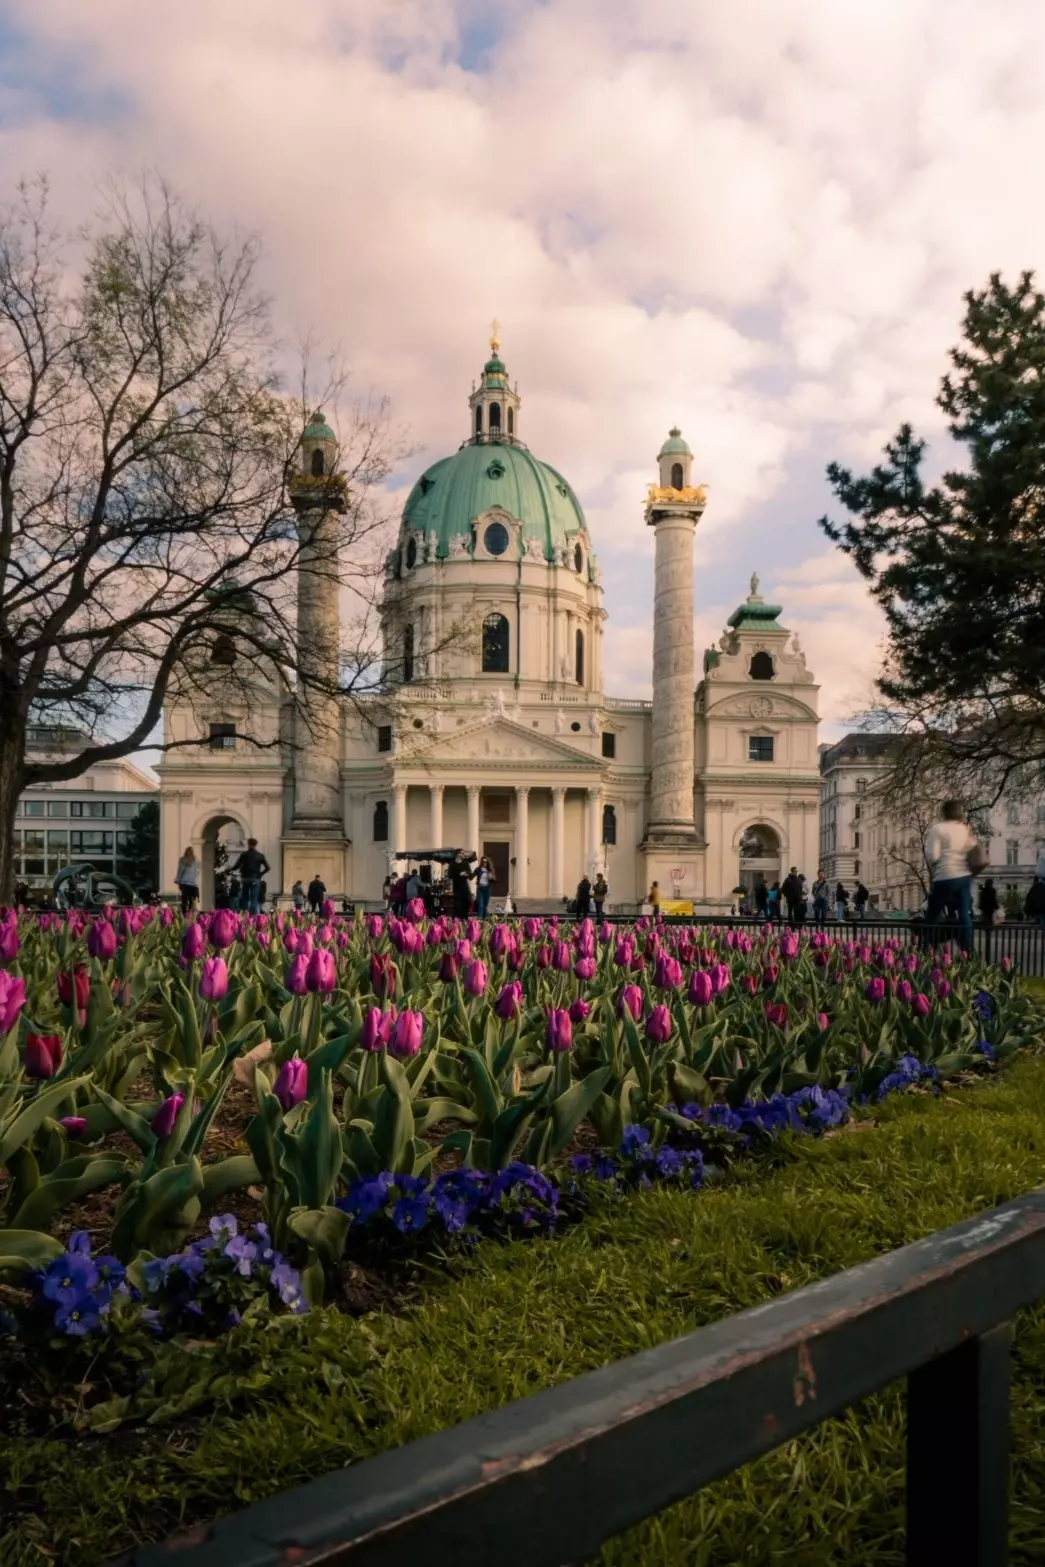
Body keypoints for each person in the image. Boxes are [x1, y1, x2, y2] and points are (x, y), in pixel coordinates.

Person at [924, 799, 976, 954]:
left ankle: (927, 947)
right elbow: (971, 848)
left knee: (933, 914)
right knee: (964, 913)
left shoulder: (938, 829)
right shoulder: (964, 828)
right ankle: (968, 950)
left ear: (944, 812)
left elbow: (933, 855)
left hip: (945, 875)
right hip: (963, 876)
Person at [232, 839, 269, 916]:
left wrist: (229, 869)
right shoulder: (260, 855)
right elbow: (268, 868)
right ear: (256, 845)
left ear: (248, 844)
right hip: (255, 878)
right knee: (254, 899)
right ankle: (254, 917)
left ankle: (245, 915)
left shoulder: (244, 855)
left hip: (245, 878)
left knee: (245, 897)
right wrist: (260, 874)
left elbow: (237, 866)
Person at [175, 845, 200, 916]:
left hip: (184, 882)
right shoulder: (197, 861)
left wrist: (177, 879)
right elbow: (198, 871)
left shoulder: (183, 860)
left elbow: (180, 870)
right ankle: (191, 914)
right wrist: (194, 877)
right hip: (193, 883)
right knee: (192, 901)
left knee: (184, 900)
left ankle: (184, 914)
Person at [450, 850, 473, 918]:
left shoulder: (465, 863)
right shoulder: (452, 863)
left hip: (465, 886)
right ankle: (456, 920)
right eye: (462, 853)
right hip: (456, 886)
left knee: (466, 903)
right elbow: (450, 875)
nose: (463, 854)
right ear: (458, 854)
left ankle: (465, 919)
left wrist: (465, 874)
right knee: (458, 904)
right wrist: (459, 874)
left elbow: (469, 874)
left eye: (464, 853)